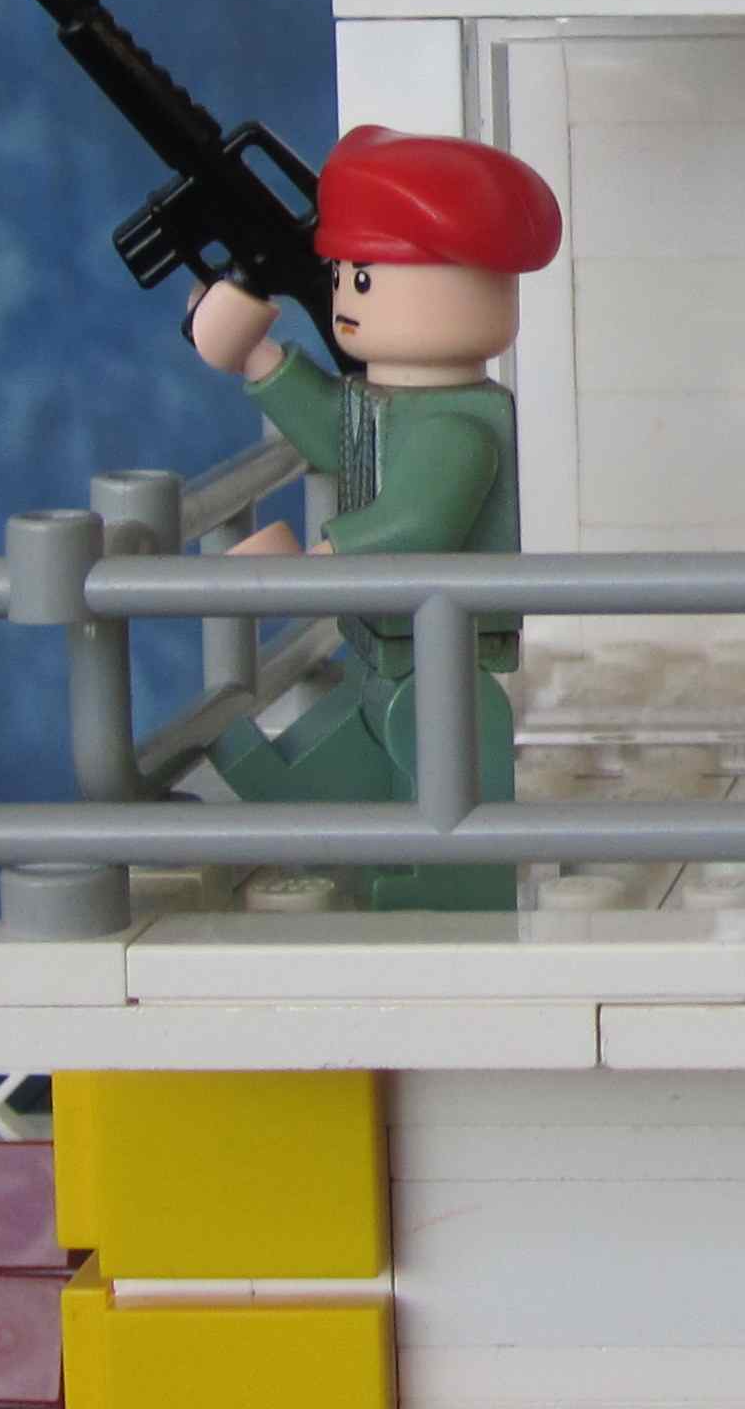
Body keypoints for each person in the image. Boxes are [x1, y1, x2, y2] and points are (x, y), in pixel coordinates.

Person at [185, 127, 562, 906]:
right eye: (345, 275)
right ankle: (320, 816)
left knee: (430, 748)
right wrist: (256, 356)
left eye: (366, 276)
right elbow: (337, 435)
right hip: (394, 643)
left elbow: (419, 524)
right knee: (379, 726)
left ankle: (442, 887)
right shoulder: (388, 404)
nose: (347, 300)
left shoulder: (458, 426)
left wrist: (314, 569)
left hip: (442, 647)